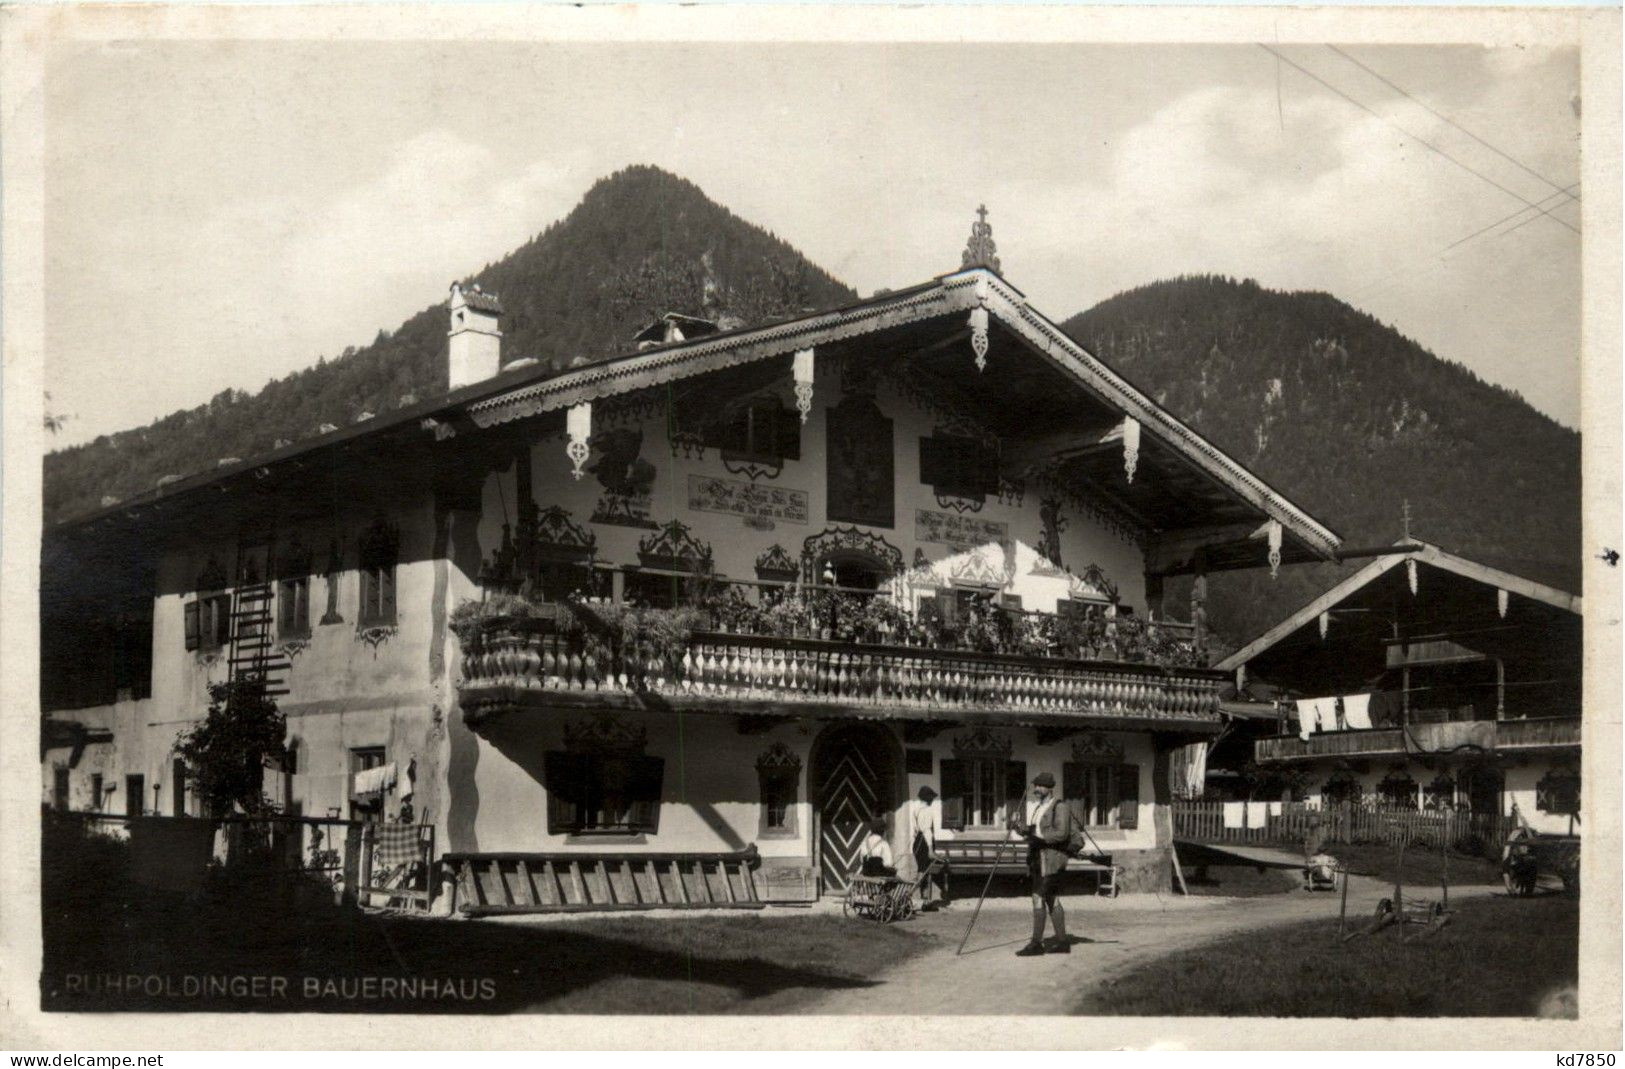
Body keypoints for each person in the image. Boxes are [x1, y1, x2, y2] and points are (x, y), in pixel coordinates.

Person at [1011, 771, 1075, 956]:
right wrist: (1018, 827)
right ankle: (1063, 943)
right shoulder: (1039, 808)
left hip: (1051, 859)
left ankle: (1036, 944)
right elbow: (1034, 833)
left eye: (1040, 786)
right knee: (1051, 897)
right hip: (1038, 858)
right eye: (1036, 786)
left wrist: (1040, 839)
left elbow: (1062, 833)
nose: (1036, 789)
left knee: (1038, 897)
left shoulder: (1059, 807)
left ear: (1049, 788)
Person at [910, 786, 949, 907]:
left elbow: (914, 829)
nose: (932, 800)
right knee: (925, 872)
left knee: (922, 870)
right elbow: (927, 831)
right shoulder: (927, 810)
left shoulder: (915, 809)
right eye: (931, 797)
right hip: (925, 843)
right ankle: (917, 898)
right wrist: (931, 850)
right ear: (927, 798)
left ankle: (922, 900)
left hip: (917, 841)